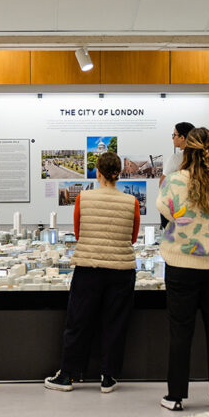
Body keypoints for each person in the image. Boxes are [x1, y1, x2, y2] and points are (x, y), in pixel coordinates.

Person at [156, 127, 209, 411]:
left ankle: (176, 396)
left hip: (181, 265)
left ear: (187, 150)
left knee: (180, 331)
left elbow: (166, 210)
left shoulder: (173, 181)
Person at [45, 151, 140, 393]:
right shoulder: (132, 202)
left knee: (78, 321)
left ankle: (67, 375)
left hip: (89, 268)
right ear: (119, 174)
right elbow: (133, 237)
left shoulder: (83, 198)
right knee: (115, 323)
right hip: (121, 269)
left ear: (97, 172)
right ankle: (108, 377)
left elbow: (79, 234)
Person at [161, 121, 195, 229]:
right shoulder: (201, 158)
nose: (173, 138)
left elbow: (162, 183)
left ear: (182, 137)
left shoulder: (176, 159)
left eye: (174, 135)